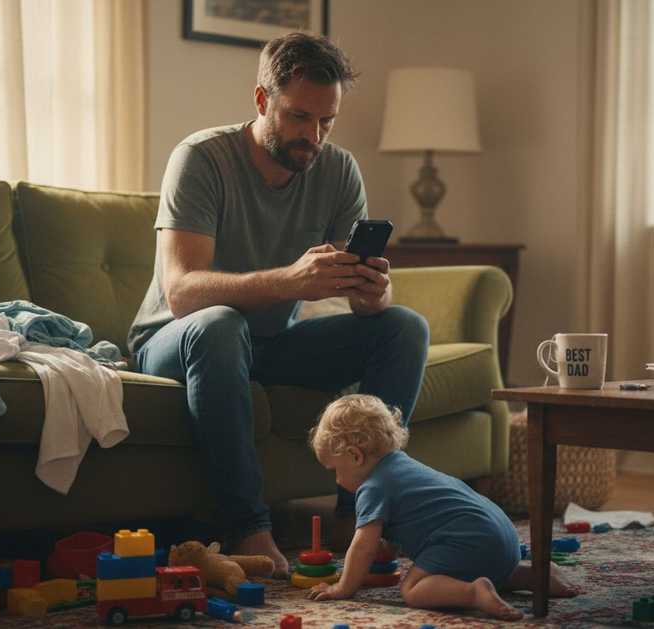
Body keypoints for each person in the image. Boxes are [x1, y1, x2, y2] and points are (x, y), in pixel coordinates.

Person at [126, 32, 429, 578]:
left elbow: (357, 303)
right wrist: (289, 281)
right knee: (218, 325)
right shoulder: (201, 158)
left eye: (326, 121)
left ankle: (358, 515)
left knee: (403, 327)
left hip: (269, 344)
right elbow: (182, 292)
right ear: (263, 100)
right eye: (298, 116)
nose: (312, 135)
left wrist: (373, 293)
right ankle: (247, 526)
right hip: (175, 341)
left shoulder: (338, 170)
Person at [307, 394, 580, 621]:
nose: (338, 480)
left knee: (413, 589)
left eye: (335, 470)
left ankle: (473, 592)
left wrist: (343, 587)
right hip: (500, 536)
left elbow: (363, 546)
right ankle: (532, 575)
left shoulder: (373, 488)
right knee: (475, 565)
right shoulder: (402, 465)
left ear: (355, 455)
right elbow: (422, 519)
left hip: (471, 541)